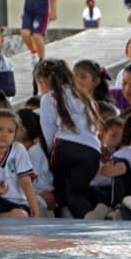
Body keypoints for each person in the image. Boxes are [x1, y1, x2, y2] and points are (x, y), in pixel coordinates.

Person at [35, 59, 101, 219]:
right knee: (75, 192)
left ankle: (82, 218)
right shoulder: (86, 97)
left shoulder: (49, 98)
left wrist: (51, 155)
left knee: (62, 189)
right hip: (93, 152)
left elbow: (49, 133)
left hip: (65, 147)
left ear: (43, 81)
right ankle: (92, 213)